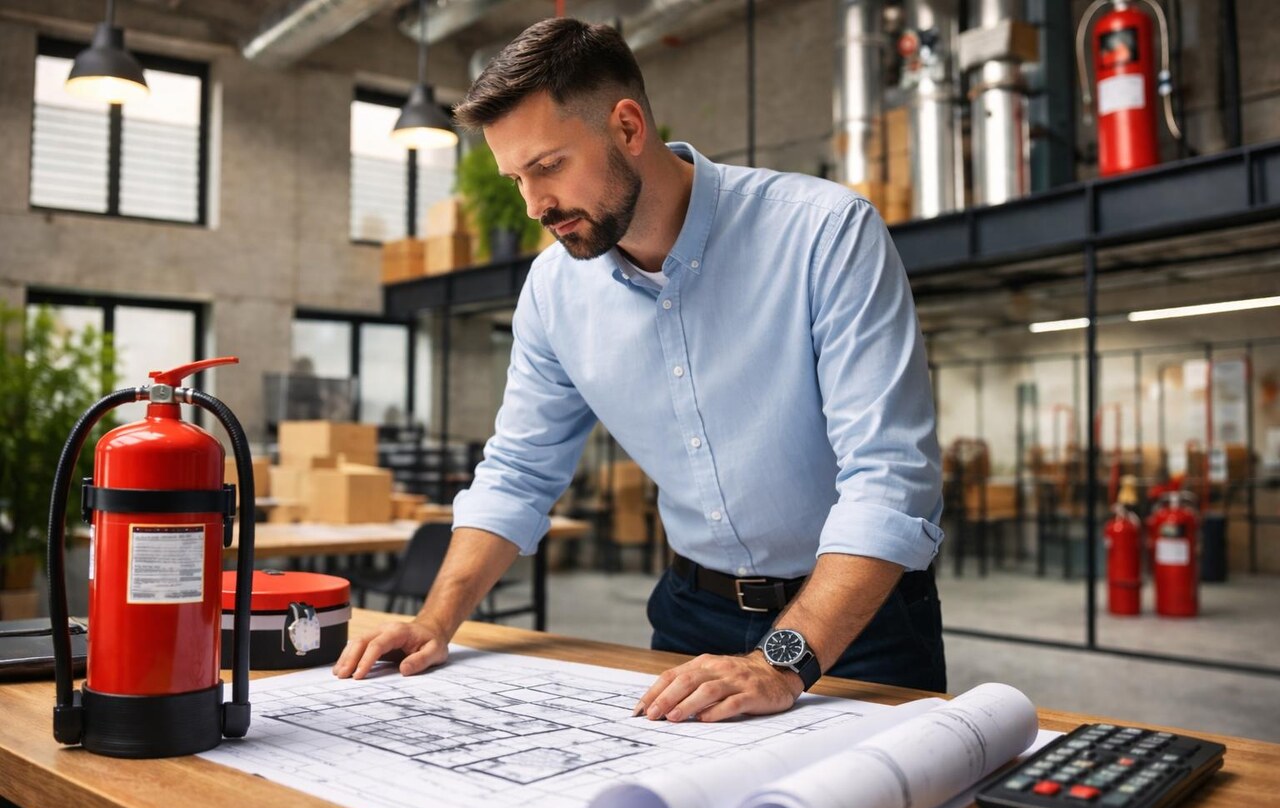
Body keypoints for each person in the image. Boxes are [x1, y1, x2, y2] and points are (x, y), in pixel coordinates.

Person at [334, 17, 945, 722]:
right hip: (691, 619)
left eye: (548, 166)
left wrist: (779, 663)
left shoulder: (824, 234)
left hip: (858, 623)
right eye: (517, 179)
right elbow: (518, 472)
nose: (534, 206)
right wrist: (436, 620)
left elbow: (890, 480)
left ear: (627, 127)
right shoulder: (555, 290)